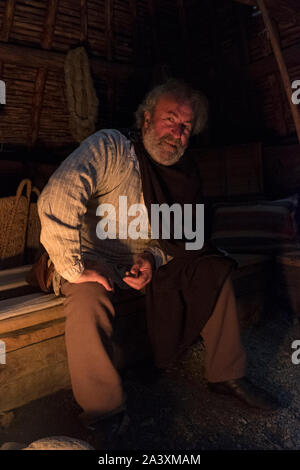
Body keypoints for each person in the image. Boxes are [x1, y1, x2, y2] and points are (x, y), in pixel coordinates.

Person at [38, 79, 279, 446]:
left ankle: (227, 373)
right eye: (170, 119)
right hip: (87, 255)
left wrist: (151, 258)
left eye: (185, 127)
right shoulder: (110, 147)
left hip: (137, 262)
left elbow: (180, 237)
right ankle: (105, 412)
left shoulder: (182, 174)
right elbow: (58, 197)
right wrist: (75, 267)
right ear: (147, 118)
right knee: (87, 296)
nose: (177, 133)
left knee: (211, 267)